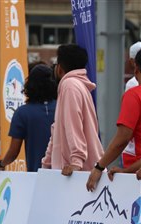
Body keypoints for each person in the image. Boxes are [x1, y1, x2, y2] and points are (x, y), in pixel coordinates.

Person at [41, 44, 103, 175]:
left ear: (60, 68)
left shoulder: (70, 86)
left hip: (79, 174)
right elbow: (57, 129)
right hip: (78, 171)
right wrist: (46, 164)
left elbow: (73, 124)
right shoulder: (77, 86)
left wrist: (76, 162)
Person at [86, 49, 141, 191]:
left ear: (136, 70)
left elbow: (122, 138)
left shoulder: (134, 95)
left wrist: (99, 167)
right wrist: (126, 171)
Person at [0, 64, 57, 179]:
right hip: (63, 175)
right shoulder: (62, 108)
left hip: (36, 176)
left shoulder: (22, 113)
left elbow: (13, 151)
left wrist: (1, 165)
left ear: (30, 85)